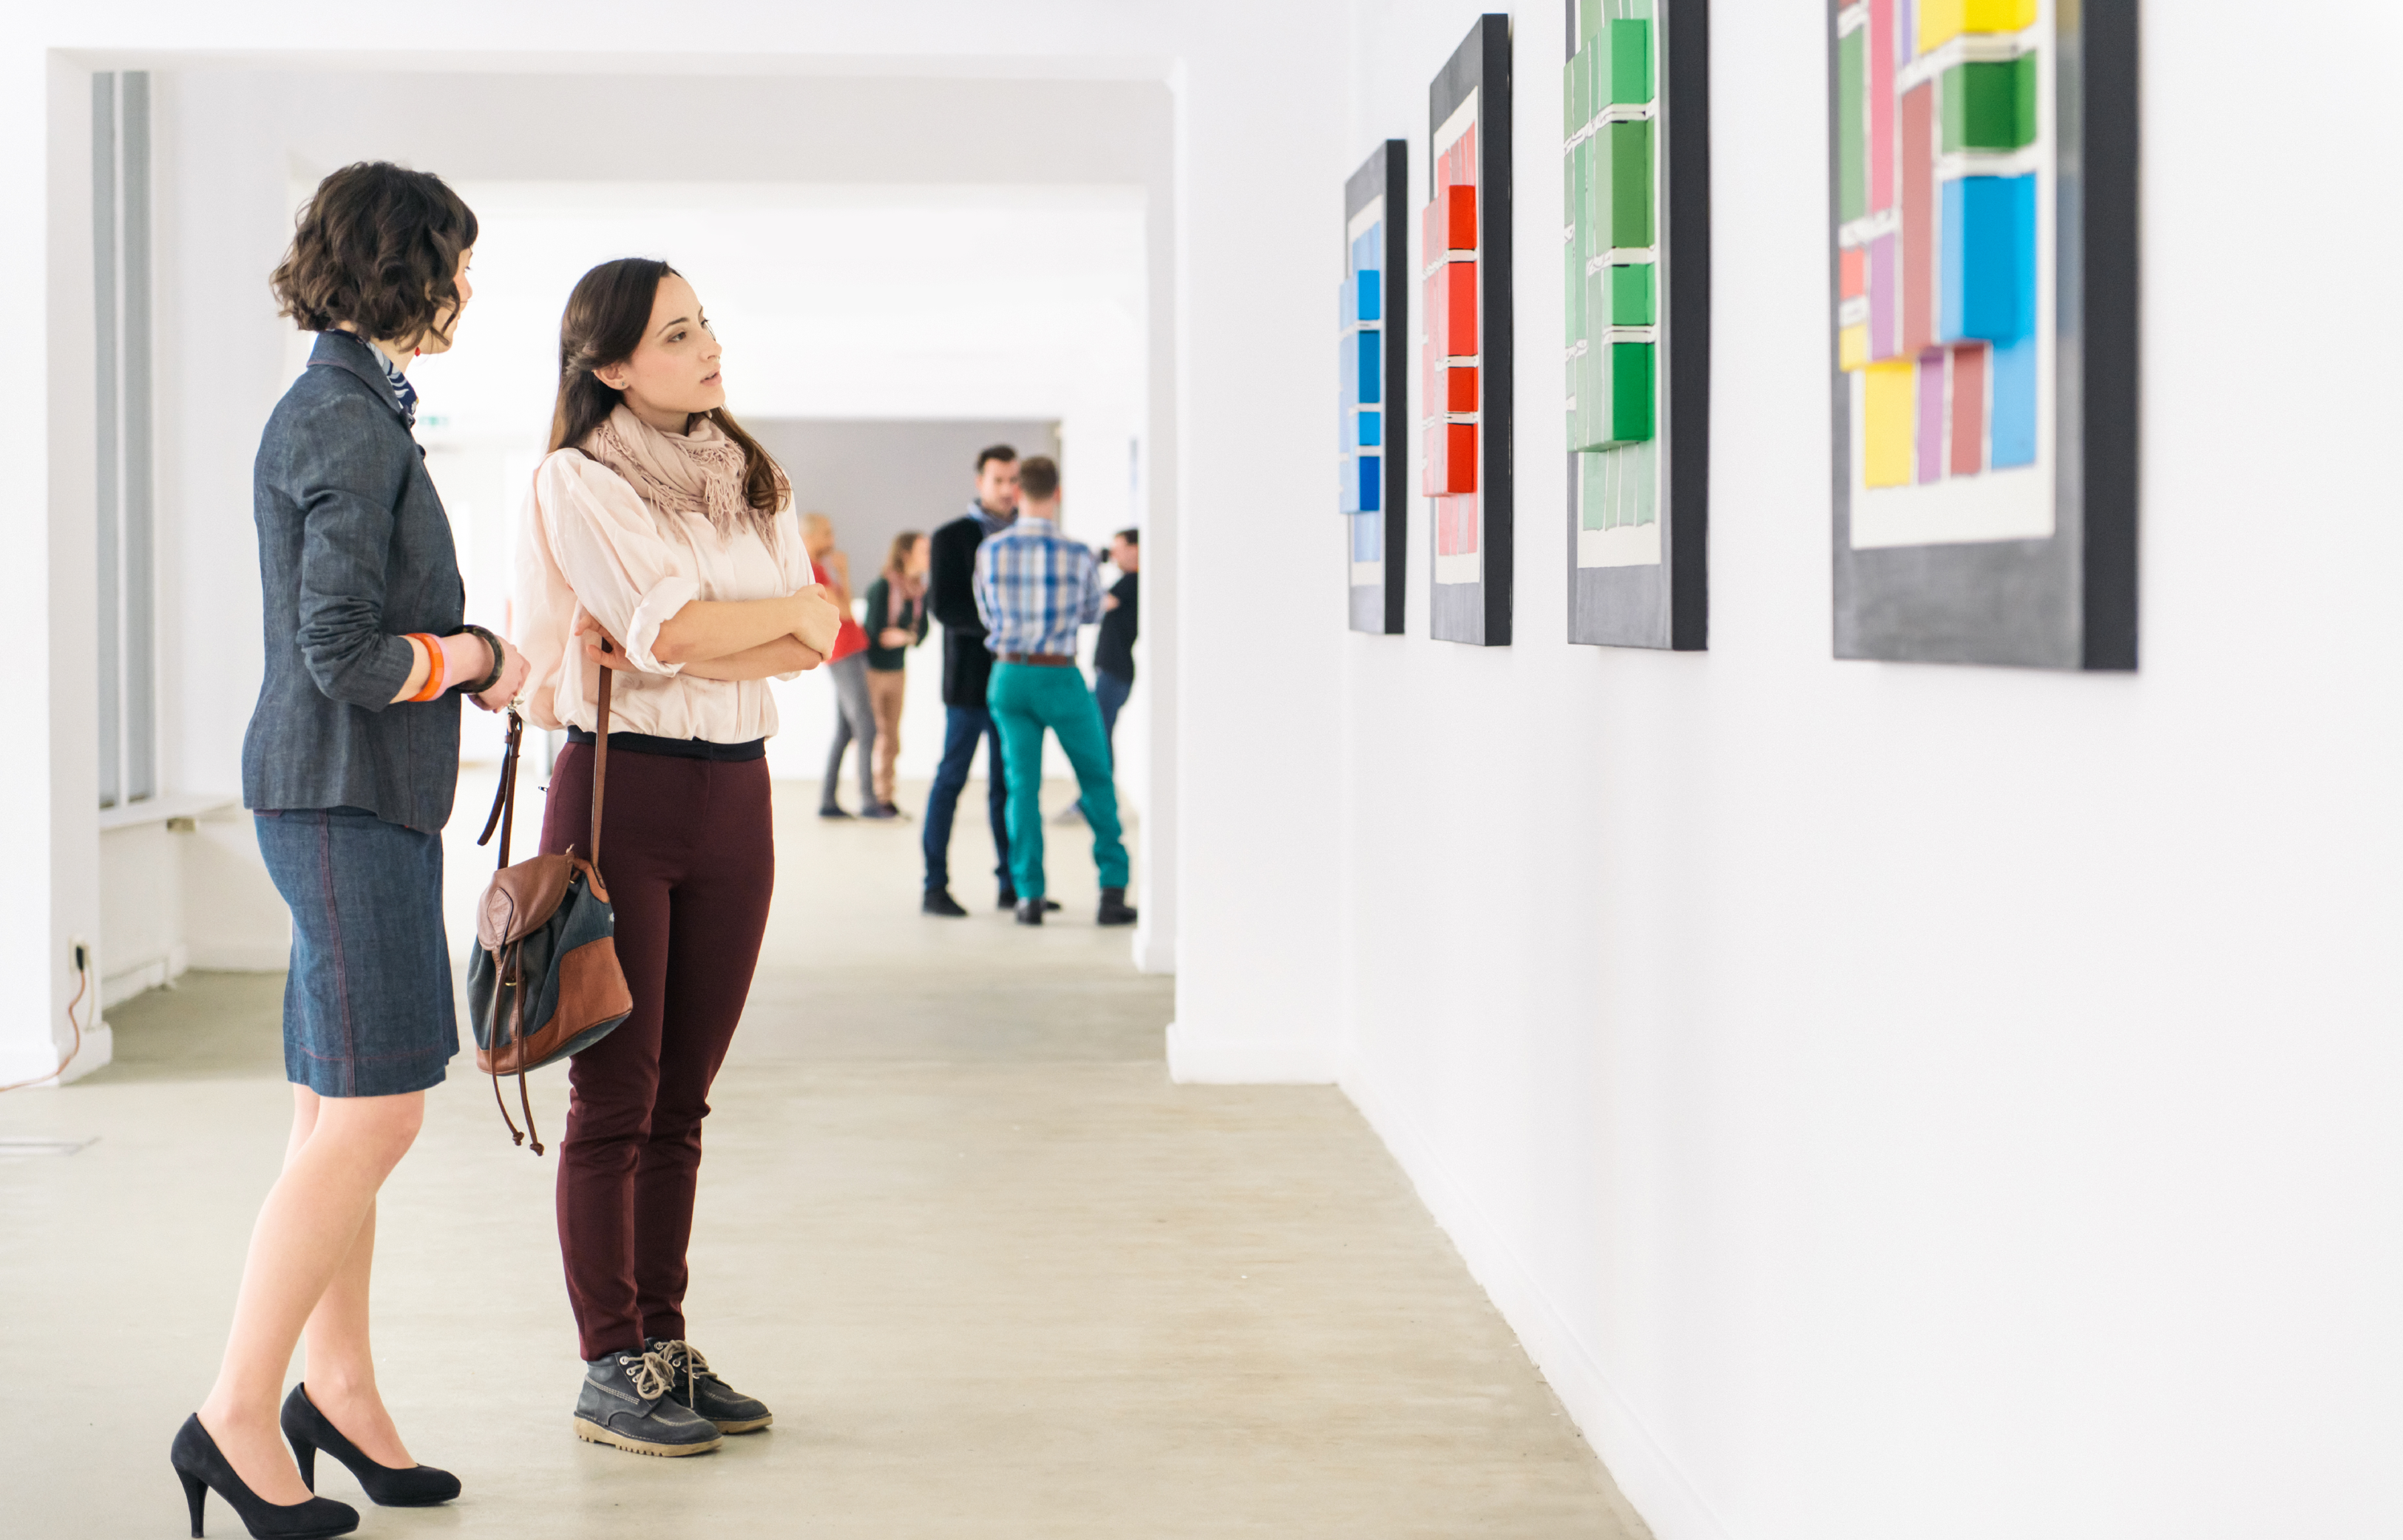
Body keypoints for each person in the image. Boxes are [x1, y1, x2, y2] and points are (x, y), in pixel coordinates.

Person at [183, 161, 526, 1540]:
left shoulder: (348, 404)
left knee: (335, 1111)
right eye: (451, 261)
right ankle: (235, 1412)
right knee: (378, 1112)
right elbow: (340, 654)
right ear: (402, 266)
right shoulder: (343, 421)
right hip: (342, 799)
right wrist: (478, 655)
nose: (460, 288)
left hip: (337, 799)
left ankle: (342, 1392)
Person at [515, 257, 843, 1458]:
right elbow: (680, 631)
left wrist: (734, 633)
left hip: (737, 797)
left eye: (706, 325)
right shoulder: (578, 480)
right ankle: (611, 1359)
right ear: (609, 365)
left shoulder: (754, 475)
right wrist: (756, 624)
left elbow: (817, 635)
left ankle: (663, 1335)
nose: (709, 347)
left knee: (686, 1094)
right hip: (620, 794)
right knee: (619, 1090)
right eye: (677, 333)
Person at [973, 457, 1138, 929]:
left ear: (1017, 492)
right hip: (1059, 675)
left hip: (1008, 676)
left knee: (1021, 788)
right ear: (1057, 493)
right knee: (1096, 778)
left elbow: (987, 614)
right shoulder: (1078, 553)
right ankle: (1112, 892)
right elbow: (1091, 612)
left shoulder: (991, 551)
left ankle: (1029, 897)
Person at [920, 445, 1031, 916]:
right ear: (980, 482)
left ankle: (1012, 884)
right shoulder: (951, 537)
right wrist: (1006, 626)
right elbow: (944, 608)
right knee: (951, 780)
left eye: (1014, 481)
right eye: (999, 480)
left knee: (1008, 786)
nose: (1008, 489)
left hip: (1015, 678)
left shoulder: (1029, 535)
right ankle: (934, 886)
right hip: (968, 683)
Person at [1057, 527, 1139, 827]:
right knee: (1100, 734)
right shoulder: (1127, 582)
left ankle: (1095, 802)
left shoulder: (1132, 582)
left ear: (1137, 549)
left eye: (1118, 549)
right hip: (1112, 672)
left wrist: (1088, 565)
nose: (1114, 555)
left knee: (1099, 736)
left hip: (1115, 674)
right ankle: (1094, 800)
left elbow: (1094, 604)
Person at [805, 513, 875, 818]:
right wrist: (844, 573)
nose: (832, 540)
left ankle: (828, 801)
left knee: (846, 730)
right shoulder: (813, 571)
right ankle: (869, 801)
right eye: (827, 533)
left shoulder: (818, 568)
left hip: (846, 652)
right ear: (811, 535)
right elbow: (845, 610)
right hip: (843, 653)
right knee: (866, 726)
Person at [860, 530, 931, 817]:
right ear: (906, 554)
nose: (929, 557)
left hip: (897, 671)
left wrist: (904, 637)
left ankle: (885, 796)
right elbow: (875, 631)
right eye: (923, 551)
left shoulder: (918, 592)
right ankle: (871, 798)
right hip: (873, 672)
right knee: (873, 735)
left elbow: (921, 632)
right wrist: (907, 636)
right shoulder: (882, 587)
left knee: (892, 737)